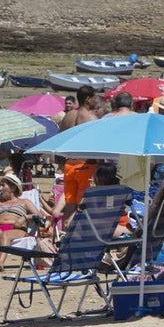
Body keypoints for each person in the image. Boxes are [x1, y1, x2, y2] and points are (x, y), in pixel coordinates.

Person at [0, 173, 47, 273]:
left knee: (5, 234)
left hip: (17, 230)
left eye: (3, 185)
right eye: (0, 186)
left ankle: (0, 263)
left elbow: (40, 216)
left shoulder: (24, 202)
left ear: (13, 188)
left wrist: (25, 217)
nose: (0, 189)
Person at [59, 86, 100, 227]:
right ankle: (78, 239)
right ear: (88, 99)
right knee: (84, 206)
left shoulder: (68, 116)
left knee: (69, 206)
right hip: (85, 164)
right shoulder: (91, 118)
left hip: (69, 163)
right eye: (94, 98)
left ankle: (64, 236)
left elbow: (60, 138)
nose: (96, 101)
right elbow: (96, 144)